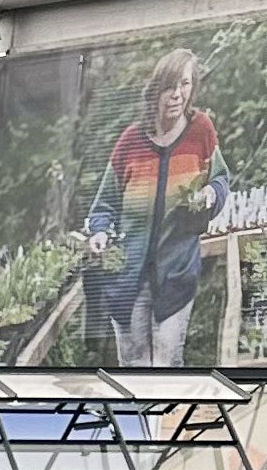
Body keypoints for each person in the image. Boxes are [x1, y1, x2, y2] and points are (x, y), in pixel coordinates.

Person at [83, 47, 229, 370]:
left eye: (185, 84)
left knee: (166, 362)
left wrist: (210, 194)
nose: (177, 94)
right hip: (128, 275)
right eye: (169, 86)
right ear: (156, 90)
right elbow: (104, 204)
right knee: (134, 365)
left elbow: (220, 179)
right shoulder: (131, 141)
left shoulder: (201, 131)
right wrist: (99, 232)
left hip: (176, 272)